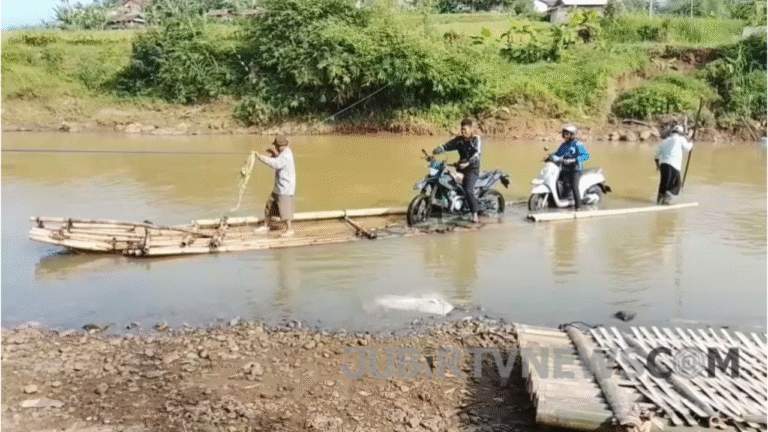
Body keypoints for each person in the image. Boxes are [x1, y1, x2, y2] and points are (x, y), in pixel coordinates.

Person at [432, 118, 482, 223]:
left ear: (471, 129)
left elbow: (477, 155)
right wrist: (434, 152)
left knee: (468, 189)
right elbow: (445, 147)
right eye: (462, 129)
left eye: (465, 129)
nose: (463, 132)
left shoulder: (476, 139)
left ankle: (474, 214)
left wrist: (468, 163)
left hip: (472, 169)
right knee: (444, 182)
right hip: (460, 168)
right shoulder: (458, 140)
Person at [253, 135, 296, 237]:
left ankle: (289, 229)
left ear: (281, 146)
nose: (276, 148)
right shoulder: (283, 153)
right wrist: (273, 154)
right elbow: (278, 160)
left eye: (276, 146)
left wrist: (260, 157)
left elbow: (276, 164)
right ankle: (267, 225)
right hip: (279, 186)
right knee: (270, 206)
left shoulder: (286, 155)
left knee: (285, 210)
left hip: (285, 188)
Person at [550, 124, 590, 210]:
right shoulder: (564, 145)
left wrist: (575, 160)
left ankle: (578, 207)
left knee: (574, 186)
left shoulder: (578, 145)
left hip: (575, 169)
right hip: (564, 168)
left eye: (567, 133)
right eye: (564, 133)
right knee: (556, 180)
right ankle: (560, 197)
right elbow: (558, 154)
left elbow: (586, 156)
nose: (564, 135)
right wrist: (550, 156)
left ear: (572, 134)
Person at [654, 125, 693, 205]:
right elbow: (687, 148)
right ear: (681, 133)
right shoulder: (680, 139)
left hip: (663, 165)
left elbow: (656, 155)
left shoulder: (664, 141)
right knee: (676, 185)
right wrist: (691, 143)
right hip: (673, 165)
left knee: (663, 183)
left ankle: (659, 201)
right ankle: (665, 201)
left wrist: (658, 166)